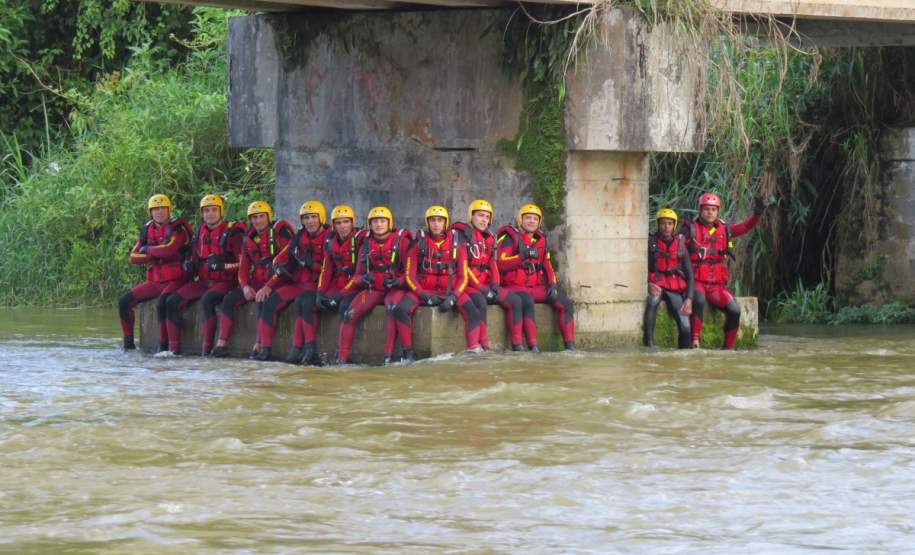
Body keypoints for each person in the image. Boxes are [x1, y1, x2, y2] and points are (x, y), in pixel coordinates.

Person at [393, 205, 484, 360]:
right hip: (424, 290)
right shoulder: (418, 244)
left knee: (473, 312)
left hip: (449, 291)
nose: (436, 224)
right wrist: (422, 295)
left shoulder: (457, 245)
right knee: (401, 309)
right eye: (433, 220)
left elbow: (463, 277)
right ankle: (407, 354)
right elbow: (409, 276)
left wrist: (454, 297)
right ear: (427, 222)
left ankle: (474, 349)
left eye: (440, 220)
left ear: (445, 222)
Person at [210, 201, 295, 358]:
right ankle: (221, 344)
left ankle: (259, 345)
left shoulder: (280, 233)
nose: (258, 221)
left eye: (261, 216)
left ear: (268, 217)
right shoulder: (249, 237)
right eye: (254, 218)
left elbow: (286, 264)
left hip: (279, 281)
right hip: (258, 281)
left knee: (263, 299)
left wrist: (269, 286)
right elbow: (243, 267)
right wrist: (244, 286)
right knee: (229, 299)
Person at [163, 194, 245, 356]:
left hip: (226, 282)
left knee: (208, 299)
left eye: (214, 210)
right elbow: (195, 259)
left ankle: (206, 351)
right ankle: (173, 351)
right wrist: (189, 265)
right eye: (206, 211)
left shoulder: (233, 232)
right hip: (204, 282)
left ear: (221, 211)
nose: (210, 214)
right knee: (172, 302)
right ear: (202, 213)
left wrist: (223, 266)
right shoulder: (200, 231)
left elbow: (244, 265)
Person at [284, 204, 366, 365]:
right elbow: (326, 269)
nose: (342, 226)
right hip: (337, 284)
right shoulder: (331, 241)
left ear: (352, 222)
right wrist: (321, 292)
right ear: (333, 225)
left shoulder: (361, 240)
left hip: (355, 286)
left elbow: (358, 274)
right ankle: (309, 349)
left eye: (346, 222)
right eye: (338, 223)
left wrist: (340, 295)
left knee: (345, 307)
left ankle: (342, 355)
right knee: (305, 300)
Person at [682, 192, 765, 349]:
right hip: (697, 280)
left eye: (713, 209)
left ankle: (728, 349)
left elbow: (746, 226)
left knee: (734, 311)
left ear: (718, 211)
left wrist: (757, 214)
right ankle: (695, 341)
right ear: (700, 210)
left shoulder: (724, 229)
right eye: (707, 209)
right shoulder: (690, 229)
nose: (710, 212)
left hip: (716, 285)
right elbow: (675, 247)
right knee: (698, 300)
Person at [253, 200, 330, 363]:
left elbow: (330, 269)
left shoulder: (329, 238)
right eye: (306, 218)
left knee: (303, 302)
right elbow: (282, 260)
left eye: (313, 217)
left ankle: (303, 349)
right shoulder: (298, 237)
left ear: (321, 218)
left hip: (317, 286)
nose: (310, 221)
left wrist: (311, 265)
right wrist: (268, 286)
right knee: (269, 302)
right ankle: (265, 350)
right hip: (299, 285)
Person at [336, 206, 412, 365]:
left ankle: (388, 357)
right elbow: (357, 275)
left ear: (389, 223)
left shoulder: (402, 242)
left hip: (395, 289)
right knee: (349, 314)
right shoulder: (366, 245)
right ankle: (341, 359)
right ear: (370, 225)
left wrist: (398, 281)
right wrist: (363, 279)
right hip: (374, 289)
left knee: (392, 308)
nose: (379, 225)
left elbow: (410, 272)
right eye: (375, 221)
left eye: (382, 221)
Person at [496, 203, 575, 351]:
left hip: (535, 287)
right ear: (520, 219)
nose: (532, 221)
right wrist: (522, 256)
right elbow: (500, 264)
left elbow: (547, 265)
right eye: (528, 218)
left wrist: (552, 284)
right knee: (526, 300)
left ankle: (570, 347)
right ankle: (531, 347)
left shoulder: (541, 240)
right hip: (514, 287)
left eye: (535, 219)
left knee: (565, 302)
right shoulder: (509, 238)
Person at [118, 194, 191, 351]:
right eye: (156, 209)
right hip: (154, 281)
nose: (160, 212)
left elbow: (169, 250)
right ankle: (128, 345)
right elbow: (133, 257)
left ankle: (165, 348)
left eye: (163, 208)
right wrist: (156, 254)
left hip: (176, 280)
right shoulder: (147, 230)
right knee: (124, 301)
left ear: (169, 210)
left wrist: (148, 250)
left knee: (162, 302)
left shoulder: (178, 229)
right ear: (150, 212)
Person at [450, 199, 524, 350]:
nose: (484, 220)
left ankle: (517, 345)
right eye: (480, 215)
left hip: (485, 283)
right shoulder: (461, 235)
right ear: (471, 216)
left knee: (515, 301)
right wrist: (481, 288)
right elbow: (464, 268)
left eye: (487, 217)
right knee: (480, 301)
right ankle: (483, 345)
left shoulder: (489, 238)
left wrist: (495, 284)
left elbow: (492, 262)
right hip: (467, 284)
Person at [643, 208, 693, 349]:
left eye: (670, 224)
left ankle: (682, 354)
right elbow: (638, 267)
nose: (666, 227)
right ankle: (649, 345)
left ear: (674, 225)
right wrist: (647, 284)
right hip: (656, 283)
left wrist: (689, 298)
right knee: (653, 301)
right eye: (663, 223)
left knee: (685, 328)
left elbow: (690, 274)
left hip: (674, 286)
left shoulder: (681, 245)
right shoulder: (650, 242)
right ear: (658, 224)